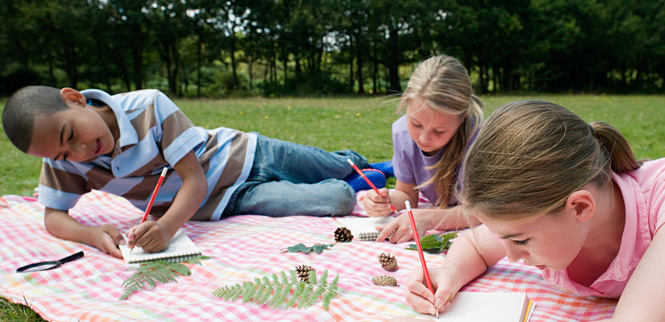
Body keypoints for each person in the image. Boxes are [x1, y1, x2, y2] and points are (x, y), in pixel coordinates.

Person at [2, 86, 391, 258]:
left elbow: (194, 178)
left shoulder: (150, 106)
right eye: (64, 153)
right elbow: (54, 217)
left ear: (75, 99)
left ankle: (365, 167)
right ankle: (356, 182)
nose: (80, 152)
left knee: (345, 167)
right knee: (339, 199)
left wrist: (167, 229)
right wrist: (90, 233)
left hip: (249, 154)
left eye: (72, 135)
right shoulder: (64, 159)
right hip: (229, 201)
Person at [404, 99, 665, 322]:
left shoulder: (658, 202)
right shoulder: (536, 215)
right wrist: (449, 273)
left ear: (580, 207)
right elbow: (476, 245)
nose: (512, 256)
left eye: (521, 240)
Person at [363, 54, 483, 243]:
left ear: (463, 116)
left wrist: (429, 219)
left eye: (439, 130)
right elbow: (407, 194)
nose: (423, 138)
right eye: (416, 123)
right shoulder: (403, 134)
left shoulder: (480, 143)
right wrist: (386, 203)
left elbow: (482, 211)